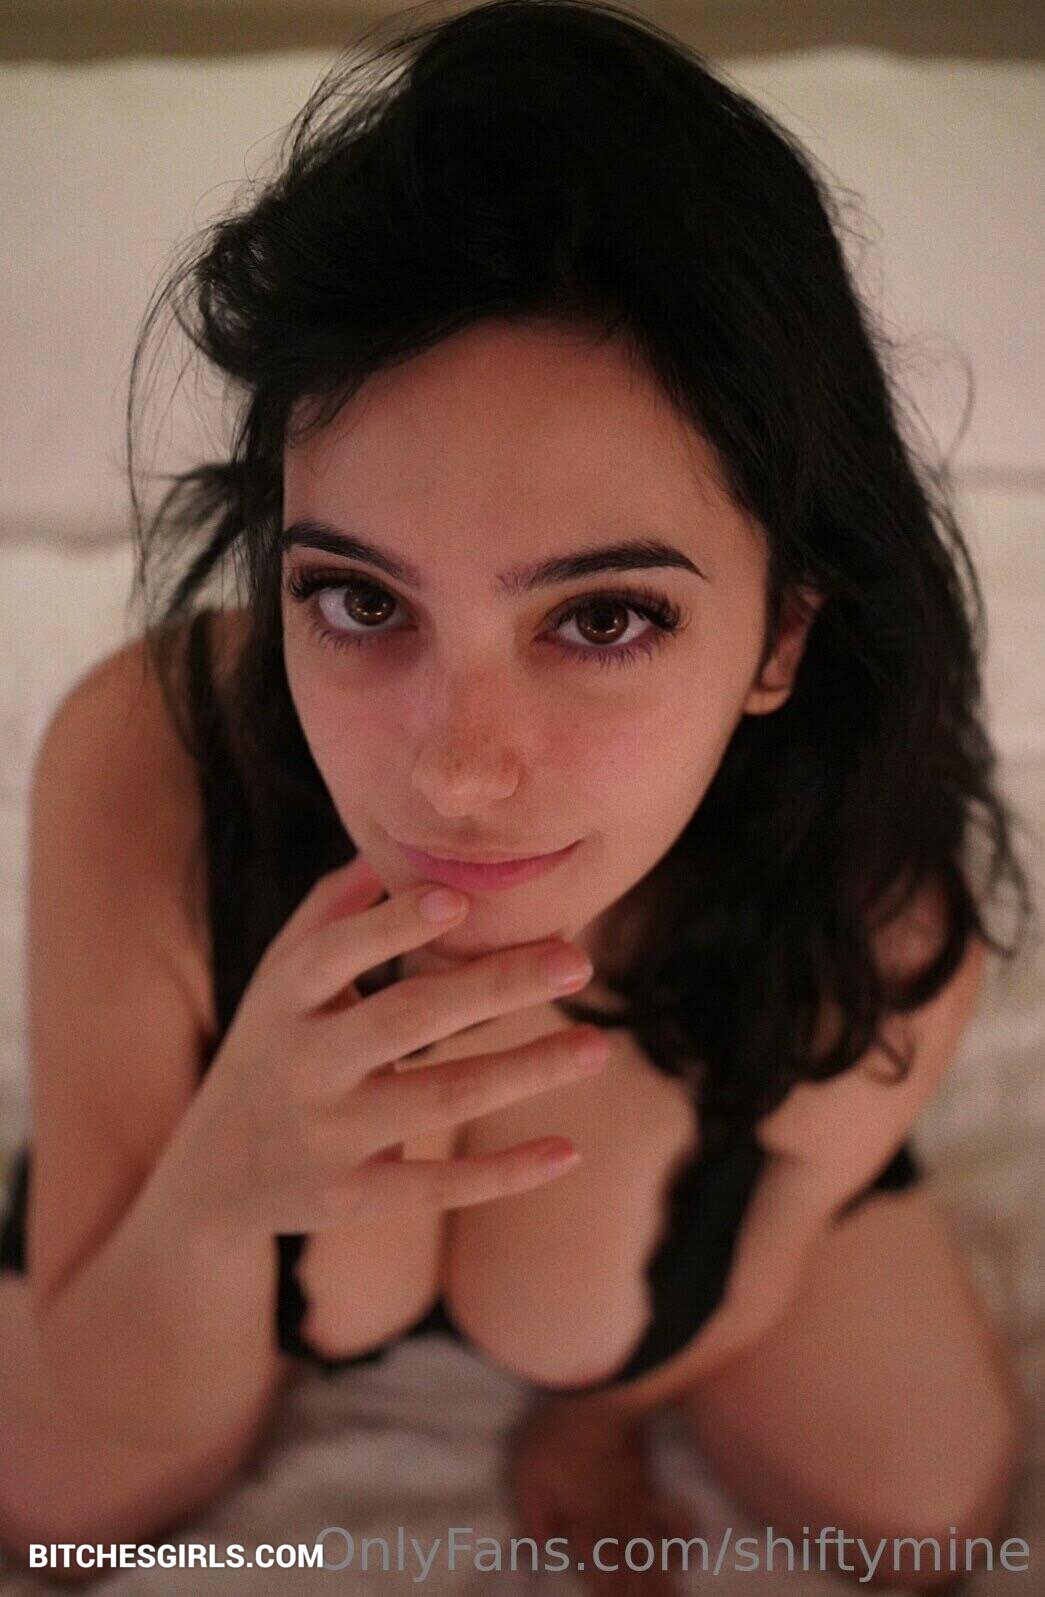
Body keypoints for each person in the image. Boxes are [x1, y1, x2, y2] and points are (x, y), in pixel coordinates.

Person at [0, 0, 1035, 1586]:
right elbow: (85, 1417)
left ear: (779, 637)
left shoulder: (863, 916)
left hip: (729, 1073)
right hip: (204, 1188)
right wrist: (217, 1187)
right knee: (42, 1508)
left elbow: (760, 1261)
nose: (456, 769)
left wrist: (599, 1415)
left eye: (602, 618)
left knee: (929, 1520)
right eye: (359, 598)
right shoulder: (152, 776)